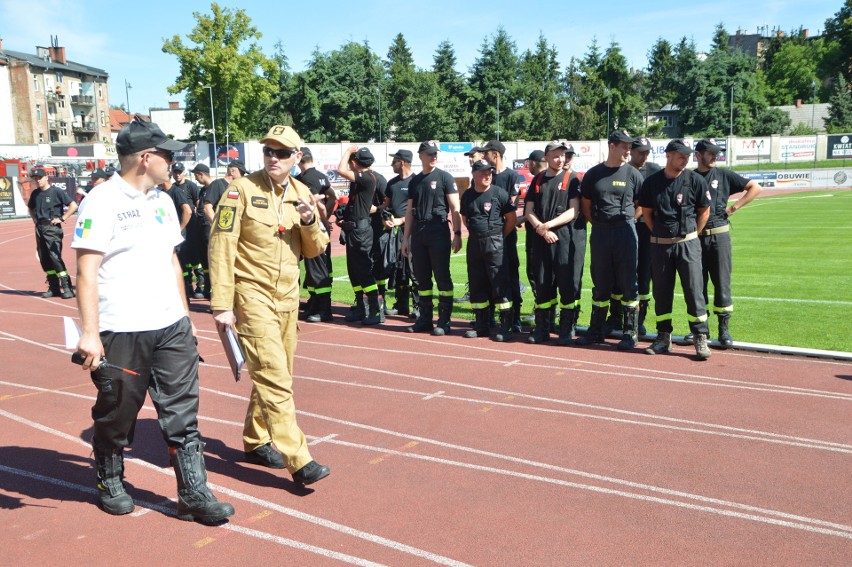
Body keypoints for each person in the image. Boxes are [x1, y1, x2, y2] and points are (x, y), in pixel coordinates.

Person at [72, 117, 234, 523]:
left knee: (182, 410)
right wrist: (90, 334)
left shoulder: (162, 201)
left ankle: (193, 493)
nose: (173, 161)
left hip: (171, 326)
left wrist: (184, 315)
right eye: (167, 154)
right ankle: (110, 476)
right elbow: (86, 271)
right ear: (145, 158)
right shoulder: (101, 201)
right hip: (121, 329)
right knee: (118, 409)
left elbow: (172, 261)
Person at [208, 124, 331, 485]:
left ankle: (255, 438)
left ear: (296, 157)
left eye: (281, 152)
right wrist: (221, 304)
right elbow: (221, 247)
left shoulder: (302, 192)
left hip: (288, 300)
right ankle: (300, 459)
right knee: (276, 378)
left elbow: (316, 249)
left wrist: (309, 221)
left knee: (276, 373)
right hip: (251, 297)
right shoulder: (240, 191)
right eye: (268, 152)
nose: (273, 158)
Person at [639, 138, 712, 360]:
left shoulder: (695, 180)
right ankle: (663, 336)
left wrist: (691, 236)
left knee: (694, 291)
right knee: (661, 293)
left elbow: (704, 211)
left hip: (687, 244)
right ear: (668, 156)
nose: (685, 160)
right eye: (681, 156)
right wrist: (660, 236)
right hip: (660, 247)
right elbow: (647, 213)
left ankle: (700, 337)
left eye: (687, 157)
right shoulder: (651, 182)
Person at [577, 130, 645, 350]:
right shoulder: (593, 174)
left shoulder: (633, 174)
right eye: (624, 146)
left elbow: (641, 203)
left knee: (628, 282)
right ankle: (596, 329)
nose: (628, 151)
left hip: (625, 231)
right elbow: (586, 205)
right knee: (600, 282)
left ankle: (630, 331)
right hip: (601, 232)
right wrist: (598, 224)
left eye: (630, 147)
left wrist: (630, 222)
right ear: (612, 146)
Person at [692, 138, 762, 347]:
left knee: (722, 283)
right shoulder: (690, 177)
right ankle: (699, 331)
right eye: (710, 152)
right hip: (696, 237)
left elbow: (755, 187)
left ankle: (724, 330)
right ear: (699, 155)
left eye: (717, 152)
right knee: (697, 286)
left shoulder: (723, 175)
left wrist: (734, 207)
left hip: (719, 236)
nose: (715, 156)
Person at [523, 142, 582, 345]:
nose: (560, 159)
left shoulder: (571, 179)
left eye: (563, 156)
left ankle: (566, 329)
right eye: (556, 155)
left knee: (566, 283)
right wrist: (540, 227)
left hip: (563, 238)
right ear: (547, 157)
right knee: (542, 283)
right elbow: (528, 210)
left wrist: (549, 225)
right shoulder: (538, 180)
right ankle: (542, 328)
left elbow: (574, 210)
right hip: (541, 239)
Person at [401, 140, 463, 335]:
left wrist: (458, 234)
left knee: (442, 277)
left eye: (435, 153)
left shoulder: (445, 177)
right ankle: (425, 319)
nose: (433, 156)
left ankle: (444, 321)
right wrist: (405, 239)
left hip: (438, 231)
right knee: (421, 279)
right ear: (420, 155)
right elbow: (410, 211)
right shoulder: (415, 181)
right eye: (429, 153)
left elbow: (455, 208)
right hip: (419, 233)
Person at [460, 159, 517, 341]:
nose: (487, 176)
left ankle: (505, 326)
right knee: (477, 284)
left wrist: (498, 237)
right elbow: (465, 218)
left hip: (495, 243)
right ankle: (481, 325)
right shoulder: (468, 195)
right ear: (474, 174)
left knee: (500, 284)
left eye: (490, 173)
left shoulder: (499, 194)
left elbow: (511, 219)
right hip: (474, 244)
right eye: (483, 173)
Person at [337, 146, 381, 325]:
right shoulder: (359, 179)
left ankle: (375, 311)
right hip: (353, 230)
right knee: (354, 272)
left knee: (363, 270)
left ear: (355, 163)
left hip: (361, 232)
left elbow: (341, 170)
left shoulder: (367, 178)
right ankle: (362, 308)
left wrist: (347, 151)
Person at [483, 140, 523, 332]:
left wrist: (502, 234)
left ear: (495, 154)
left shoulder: (511, 176)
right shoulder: (486, 176)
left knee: (510, 274)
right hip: (488, 236)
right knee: (489, 275)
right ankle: (489, 316)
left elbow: (511, 208)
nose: (484, 157)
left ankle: (515, 317)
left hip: (506, 236)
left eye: (486, 153)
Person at [296, 147, 337, 322]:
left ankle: (324, 309)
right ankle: (314, 303)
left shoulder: (305, 178)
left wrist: (321, 220)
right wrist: (325, 219)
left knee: (317, 268)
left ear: (299, 159)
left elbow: (316, 203)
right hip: (318, 226)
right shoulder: (321, 175)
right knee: (318, 268)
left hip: (312, 228)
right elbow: (332, 197)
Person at [628, 137, 663, 336]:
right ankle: (618, 317)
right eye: (640, 151)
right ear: (631, 151)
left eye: (646, 152)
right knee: (622, 274)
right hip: (625, 229)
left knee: (644, 275)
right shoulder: (624, 170)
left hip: (646, 229)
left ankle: (639, 320)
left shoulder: (654, 170)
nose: (644, 156)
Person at [27, 166, 78, 299]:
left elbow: (73, 205)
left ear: (46, 177)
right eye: (35, 179)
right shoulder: (35, 194)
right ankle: (54, 287)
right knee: (44, 257)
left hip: (52, 227)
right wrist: (34, 220)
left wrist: (62, 218)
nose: (38, 181)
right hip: (40, 227)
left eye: (40, 178)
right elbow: (31, 208)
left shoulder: (56, 191)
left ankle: (67, 286)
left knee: (54, 256)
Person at [383, 149, 417, 316]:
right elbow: (386, 206)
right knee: (398, 269)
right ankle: (401, 304)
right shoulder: (392, 183)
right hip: (393, 234)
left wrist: (401, 220)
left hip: (411, 232)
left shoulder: (417, 182)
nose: (392, 164)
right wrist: (385, 218)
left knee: (414, 268)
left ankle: (418, 306)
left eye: (394, 161)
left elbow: (418, 211)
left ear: (402, 162)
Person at [172, 162, 205, 299]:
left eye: (180, 172)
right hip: (180, 229)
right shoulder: (172, 188)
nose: (178, 174)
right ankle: (187, 286)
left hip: (192, 227)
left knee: (195, 257)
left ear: (184, 172)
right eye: (175, 172)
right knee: (183, 258)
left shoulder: (191, 186)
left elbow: (198, 204)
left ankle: (201, 284)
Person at [191, 163, 215, 300]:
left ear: (202, 174)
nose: (196, 179)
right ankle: (207, 286)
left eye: (196, 176)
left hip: (209, 228)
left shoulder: (215, 187)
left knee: (211, 258)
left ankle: (213, 288)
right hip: (201, 227)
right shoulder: (202, 190)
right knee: (204, 259)